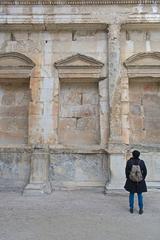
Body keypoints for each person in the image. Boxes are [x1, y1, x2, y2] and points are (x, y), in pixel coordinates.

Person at [124, 150, 147, 214]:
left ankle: (131, 208)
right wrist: (142, 178)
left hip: (131, 181)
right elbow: (145, 171)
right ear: (139, 155)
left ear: (132, 155)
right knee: (140, 195)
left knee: (131, 194)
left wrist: (129, 178)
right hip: (140, 181)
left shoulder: (129, 162)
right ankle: (141, 209)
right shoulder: (141, 162)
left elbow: (126, 171)